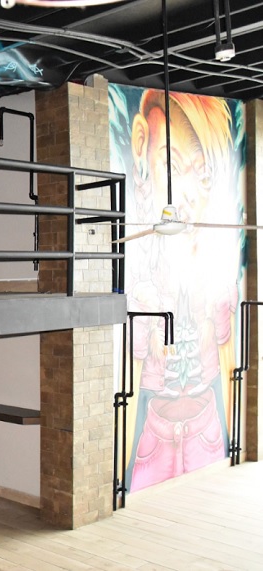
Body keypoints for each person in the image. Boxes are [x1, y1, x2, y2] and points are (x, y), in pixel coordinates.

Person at [122, 88, 242, 491]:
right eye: (171, 164)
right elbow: (128, 386)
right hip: (151, 442)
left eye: (202, 174)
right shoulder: (140, 276)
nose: (188, 193)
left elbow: (230, 371)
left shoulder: (216, 279)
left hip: (209, 437)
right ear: (141, 144)